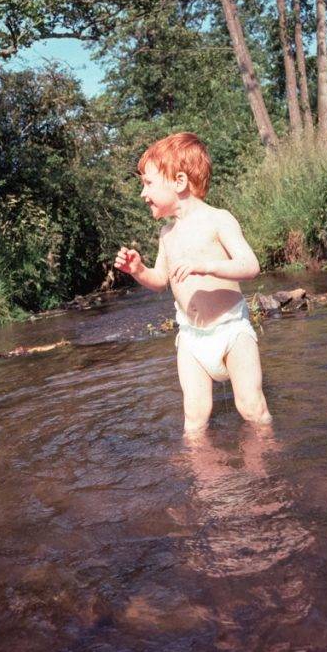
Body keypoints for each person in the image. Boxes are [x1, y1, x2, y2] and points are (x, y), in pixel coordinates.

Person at [114, 132, 271, 431]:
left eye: (148, 183)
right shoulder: (167, 234)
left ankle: (264, 473)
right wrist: (138, 270)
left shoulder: (218, 219)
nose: (142, 194)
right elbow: (161, 280)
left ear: (180, 182)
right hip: (191, 337)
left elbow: (250, 266)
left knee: (251, 407)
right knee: (195, 418)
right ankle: (202, 475)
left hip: (231, 330)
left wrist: (207, 266)